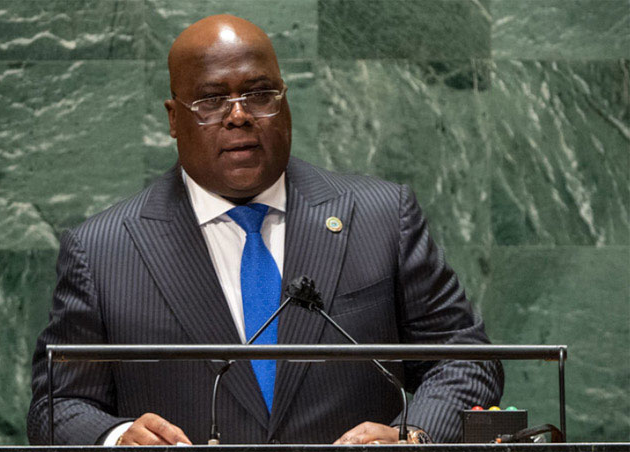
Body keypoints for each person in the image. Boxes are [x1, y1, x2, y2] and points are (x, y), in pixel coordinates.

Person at [27, 14, 503, 446]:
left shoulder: (380, 216)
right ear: (174, 119)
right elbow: (57, 405)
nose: (239, 115)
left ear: (285, 101)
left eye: (259, 94)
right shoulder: (103, 251)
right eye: (212, 100)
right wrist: (116, 438)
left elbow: (464, 359)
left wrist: (413, 436)